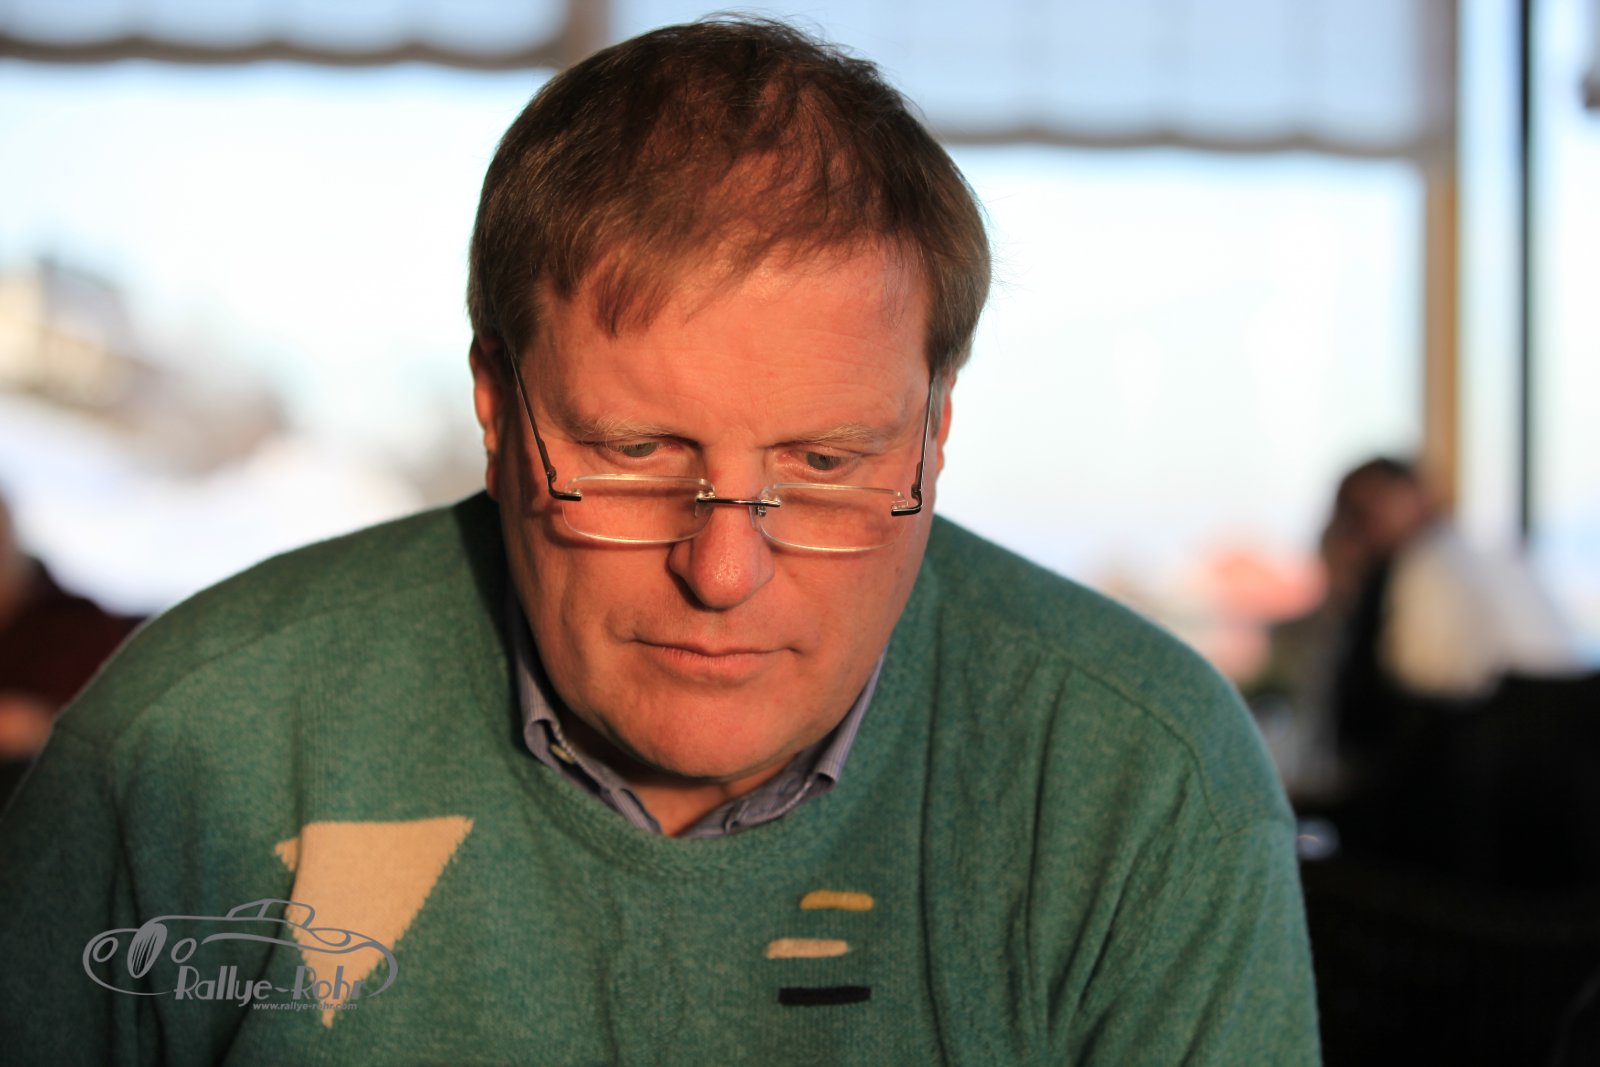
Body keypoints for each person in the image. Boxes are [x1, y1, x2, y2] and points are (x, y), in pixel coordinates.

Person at [0, 18, 1318, 1063]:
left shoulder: (1141, 784)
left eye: (824, 466)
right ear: (496, 408)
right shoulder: (184, 753)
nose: (725, 573)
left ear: (934, 433)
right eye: (635, 454)